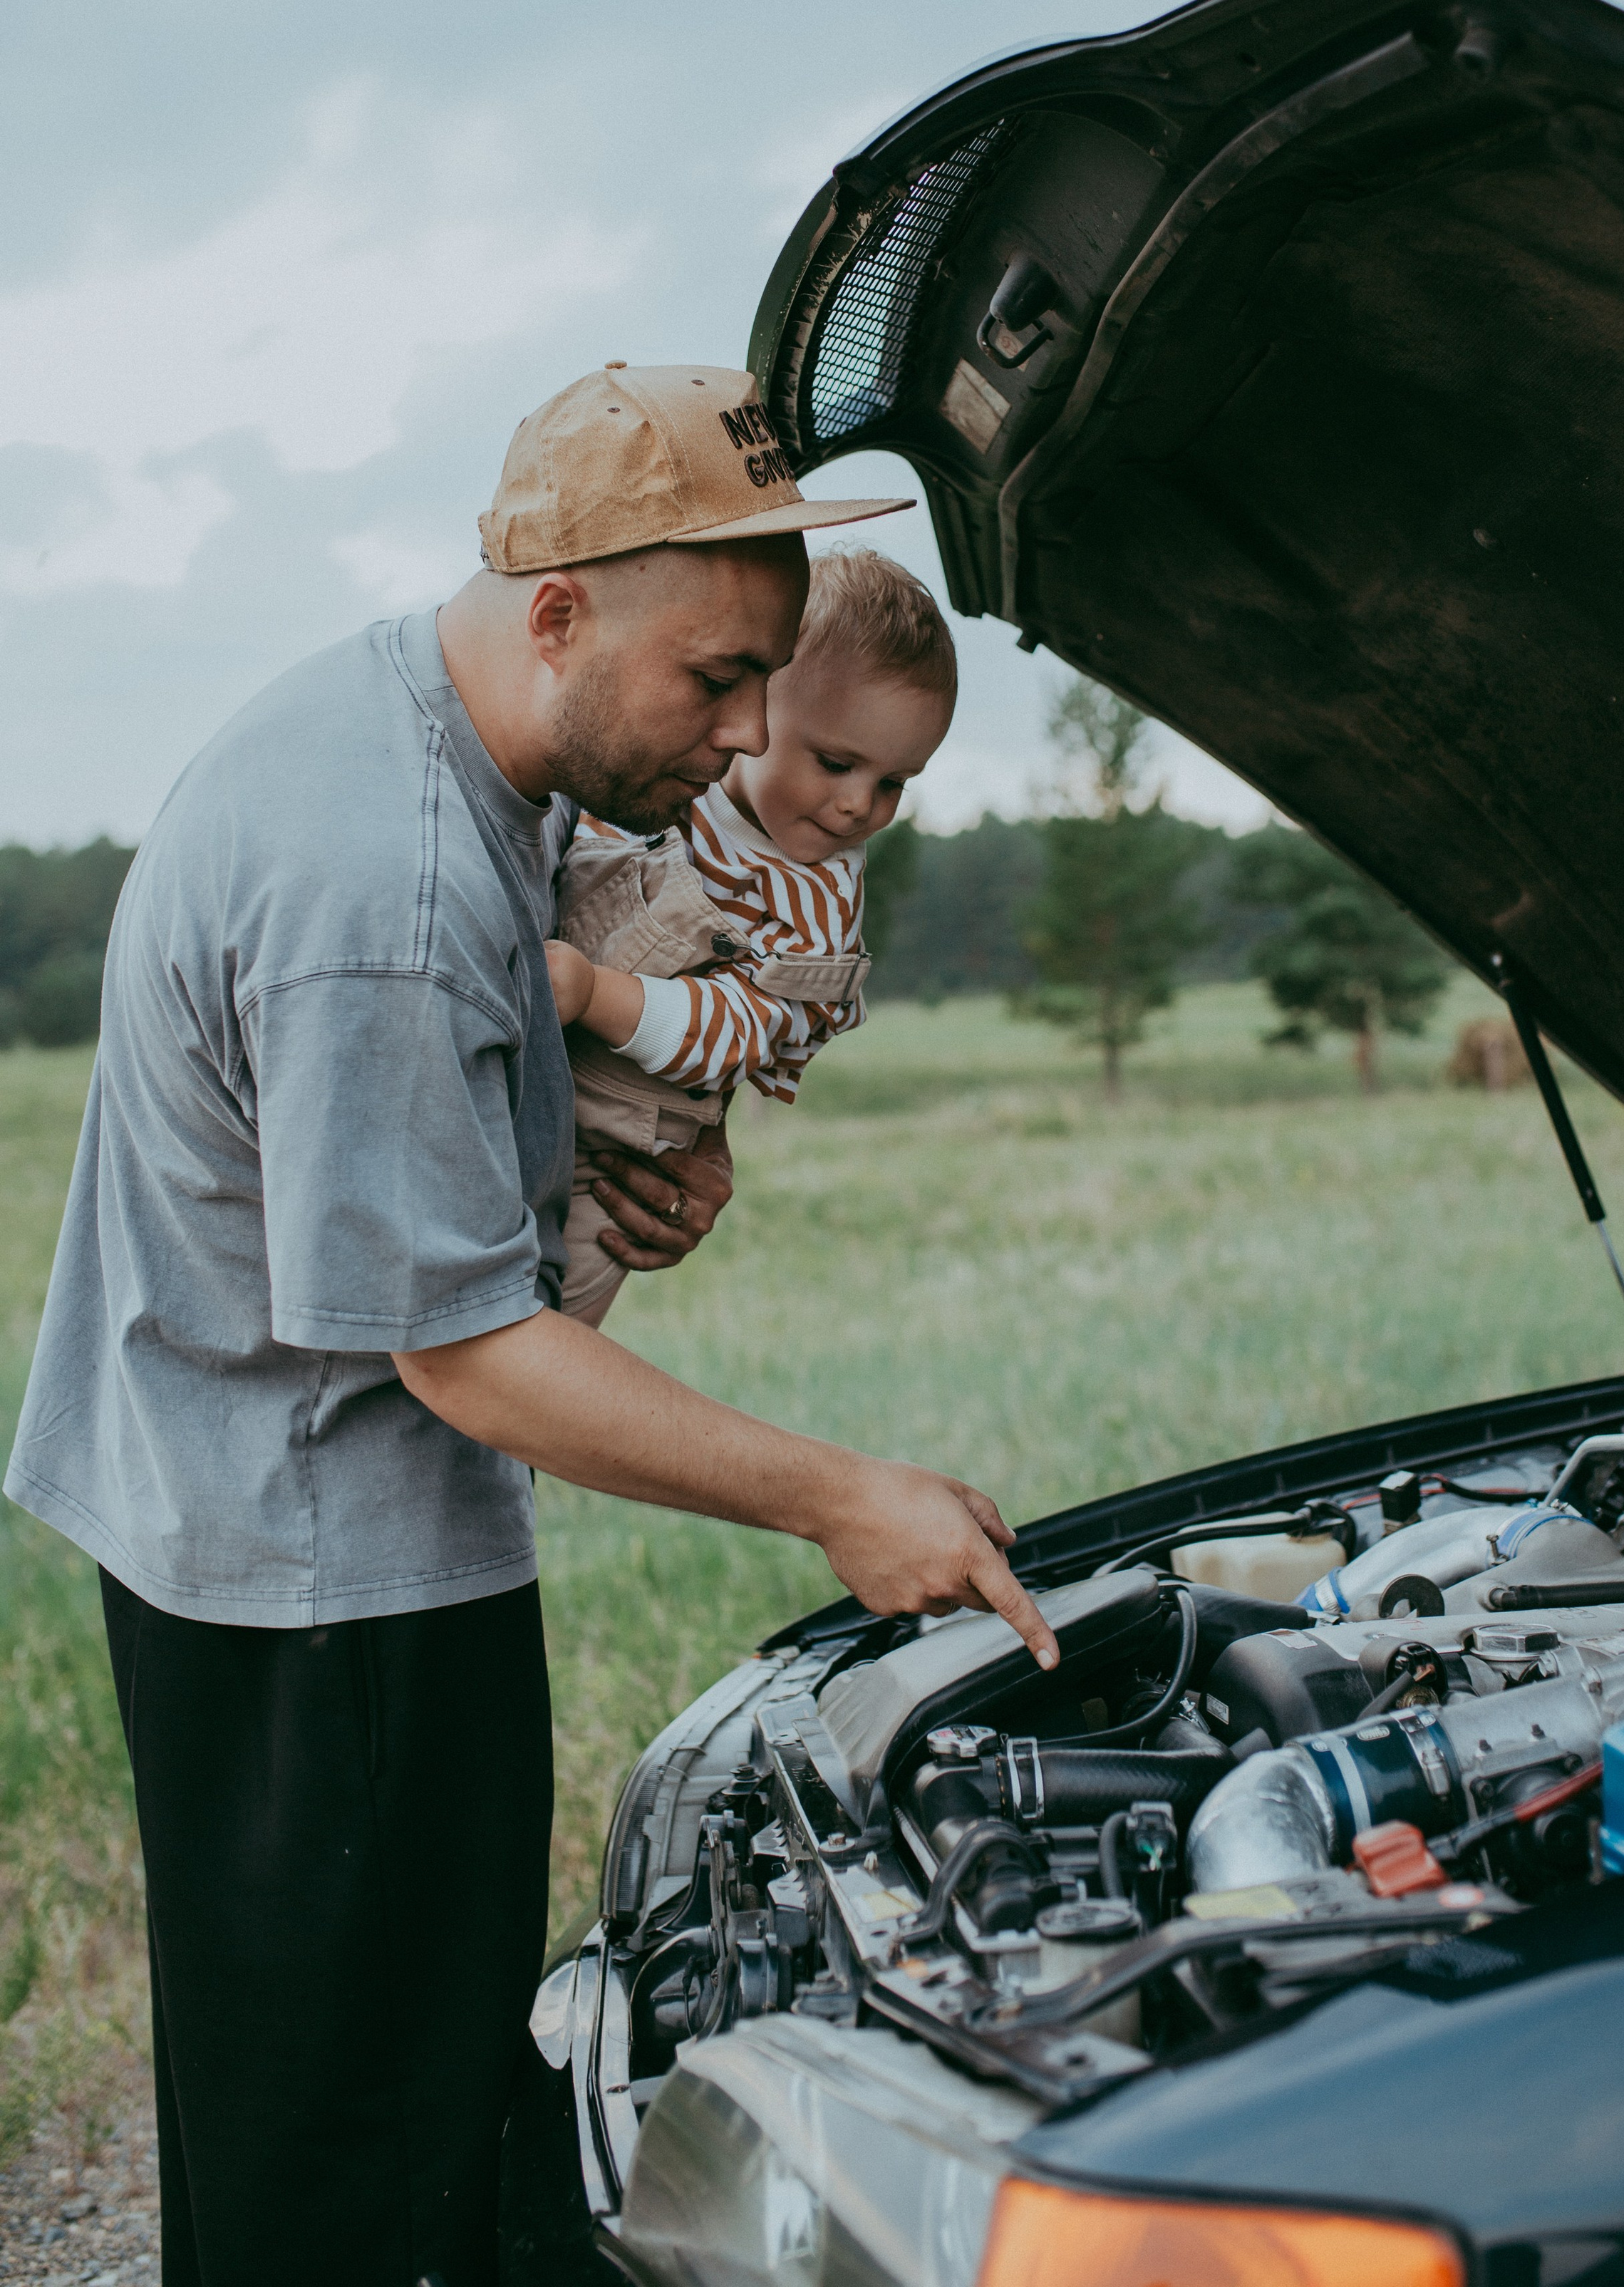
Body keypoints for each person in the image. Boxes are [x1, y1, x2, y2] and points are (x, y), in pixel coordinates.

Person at [3, 361, 1057, 2287]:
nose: (748, 736)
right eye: (715, 682)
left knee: (323, 2115)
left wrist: (596, 1154)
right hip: (322, 1599)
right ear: (561, 608)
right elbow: (462, 1349)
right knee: (368, 2174)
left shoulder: (439, 741)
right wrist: (843, 1497)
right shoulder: (387, 873)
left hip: (255, 1539)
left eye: (767, 678)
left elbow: (423, 1143)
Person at [547, 547, 956, 1323]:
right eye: (835, 763)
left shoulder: (818, 914)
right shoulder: (665, 782)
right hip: (524, 1085)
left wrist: (592, 993)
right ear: (756, 703)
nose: (857, 807)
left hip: (617, 1148)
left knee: (533, 1330)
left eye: (894, 782)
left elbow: (735, 1036)